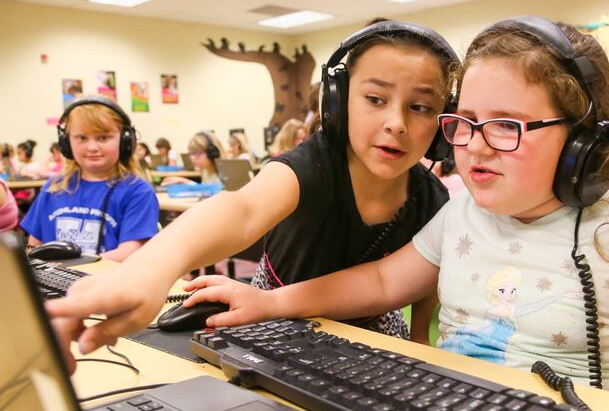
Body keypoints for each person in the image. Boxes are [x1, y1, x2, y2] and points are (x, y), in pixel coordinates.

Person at [177, 17, 609, 408]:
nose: (474, 143)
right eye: (466, 122)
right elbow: (381, 280)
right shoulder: (461, 216)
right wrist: (270, 302)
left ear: (582, 142)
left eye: (506, 124)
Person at [47, 19, 458, 353]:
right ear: (337, 102)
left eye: (420, 107)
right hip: (271, 308)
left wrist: (421, 340)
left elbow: (423, 290)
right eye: (375, 99)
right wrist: (150, 270)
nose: (397, 122)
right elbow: (242, 210)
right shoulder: (314, 164)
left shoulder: (433, 199)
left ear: (443, 126)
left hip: (371, 323)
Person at [20, 96, 159, 261]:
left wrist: (73, 267)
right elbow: (35, 246)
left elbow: (131, 252)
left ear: (125, 141)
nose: (92, 147)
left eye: (103, 137)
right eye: (82, 138)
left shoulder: (138, 191)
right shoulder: (53, 187)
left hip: (109, 282)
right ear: (66, 143)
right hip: (56, 282)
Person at [161, 132, 226, 185]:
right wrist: (184, 181)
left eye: (197, 153)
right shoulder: (206, 171)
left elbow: (214, 193)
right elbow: (205, 189)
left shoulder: (224, 175)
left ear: (212, 153)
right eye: (191, 153)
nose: (192, 158)